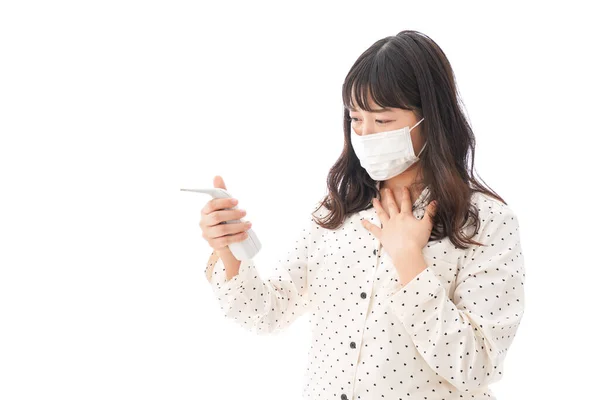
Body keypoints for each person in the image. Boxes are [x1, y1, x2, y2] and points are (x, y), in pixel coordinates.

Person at [198, 30, 525, 400]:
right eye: (356, 119)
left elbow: (476, 365)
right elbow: (270, 312)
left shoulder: (486, 222)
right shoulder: (338, 210)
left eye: (383, 121)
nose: (366, 134)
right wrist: (229, 248)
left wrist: (409, 263)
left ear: (430, 119)